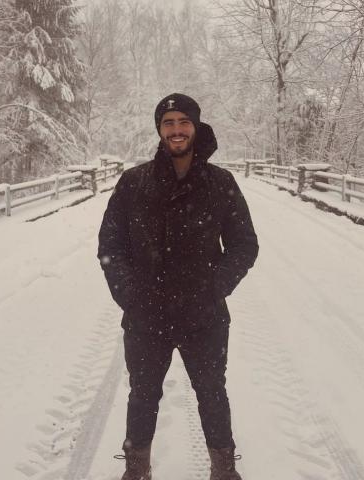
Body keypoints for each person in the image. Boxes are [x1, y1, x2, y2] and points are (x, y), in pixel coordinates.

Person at [98, 93, 259, 480]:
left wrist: (214, 286)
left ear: (196, 127)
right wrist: (130, 295)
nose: (176, 130)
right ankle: (136, 470)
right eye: (168, 122)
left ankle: (224, 469)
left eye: (183, 122)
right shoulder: (134, 182)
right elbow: (111, 246)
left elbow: (244, 244)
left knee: (212, 394)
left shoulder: (221, 183)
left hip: (203, 315)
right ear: (159, 129)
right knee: (143, 395)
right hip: (146, 314)